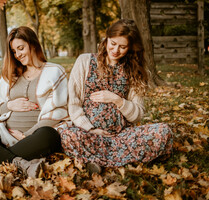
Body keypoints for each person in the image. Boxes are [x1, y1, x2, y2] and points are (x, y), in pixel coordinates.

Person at [59, 19, 173, 174]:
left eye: (122, 47)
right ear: (106, 38)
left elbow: (137, 115)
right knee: (67, 135)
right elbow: (73, 104)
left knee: (163, 131)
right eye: (112, 43)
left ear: (131, 47)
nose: (115, 50)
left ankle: (98, 161)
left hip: (122, 135)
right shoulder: (85, 61)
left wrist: (117, 100)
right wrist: (91, 129)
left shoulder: (134, 70)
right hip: (89, 134)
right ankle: (124, 160)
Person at [0, 26, 69, 178]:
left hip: (35, 138)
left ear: (33, 44)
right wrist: (9, 105)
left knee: (48, 135)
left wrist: (26, 136)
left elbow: (59, 110)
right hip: (5, 135)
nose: (18, 55)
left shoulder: (54, 71)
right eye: (14, 52)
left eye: (21, 48)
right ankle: (17, 161)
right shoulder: (13, 75)